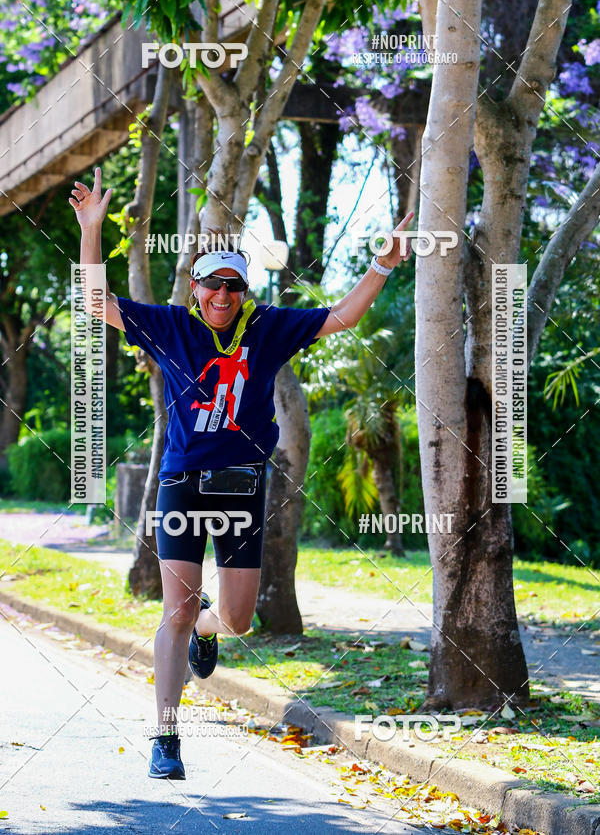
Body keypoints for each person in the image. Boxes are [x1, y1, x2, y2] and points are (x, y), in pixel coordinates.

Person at [70, 166, 413, 779]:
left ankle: (207, 626)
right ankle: (166, 737)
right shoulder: (171, 326)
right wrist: (91, 230)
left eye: (232, 285)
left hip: (242, 487)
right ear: (195, 288)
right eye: (211, 286)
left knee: (236, 619)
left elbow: (343, 316)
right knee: (173, 610)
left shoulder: (268, 327)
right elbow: (97, 303)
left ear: (244, 288)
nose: (221, 296)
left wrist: (383, 265)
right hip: (181, 482)